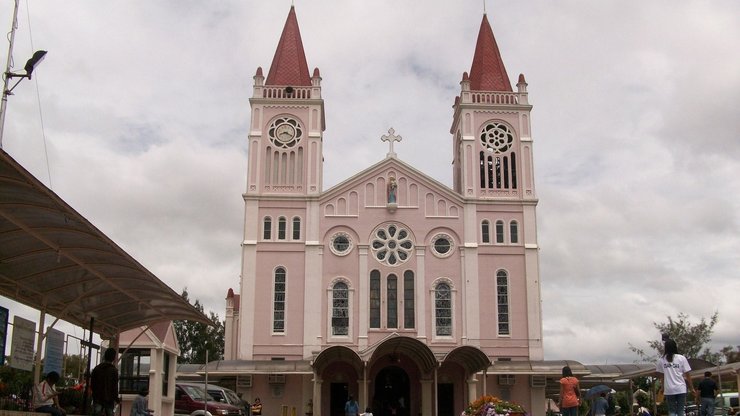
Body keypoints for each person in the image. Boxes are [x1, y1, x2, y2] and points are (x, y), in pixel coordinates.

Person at [656, 339, 696, 416]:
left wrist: (662, 388)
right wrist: (692, 388)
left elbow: (662, 376)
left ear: (666, 348)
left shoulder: (661, 360)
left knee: (672, 411)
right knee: (680, 411)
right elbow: (687, 375)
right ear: (675, 347)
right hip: (681, 388)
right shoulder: (681, 358)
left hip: (669, 389)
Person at [91, 347, 119, 416]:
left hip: (98, 398)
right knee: (110, 413)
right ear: (113, 358)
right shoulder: (114, 371)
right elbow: (114, 387)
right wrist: (116, 398)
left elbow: (93, 384)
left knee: (97, 412)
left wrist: (94, 394)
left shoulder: (97, 369)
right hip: (109, 399)